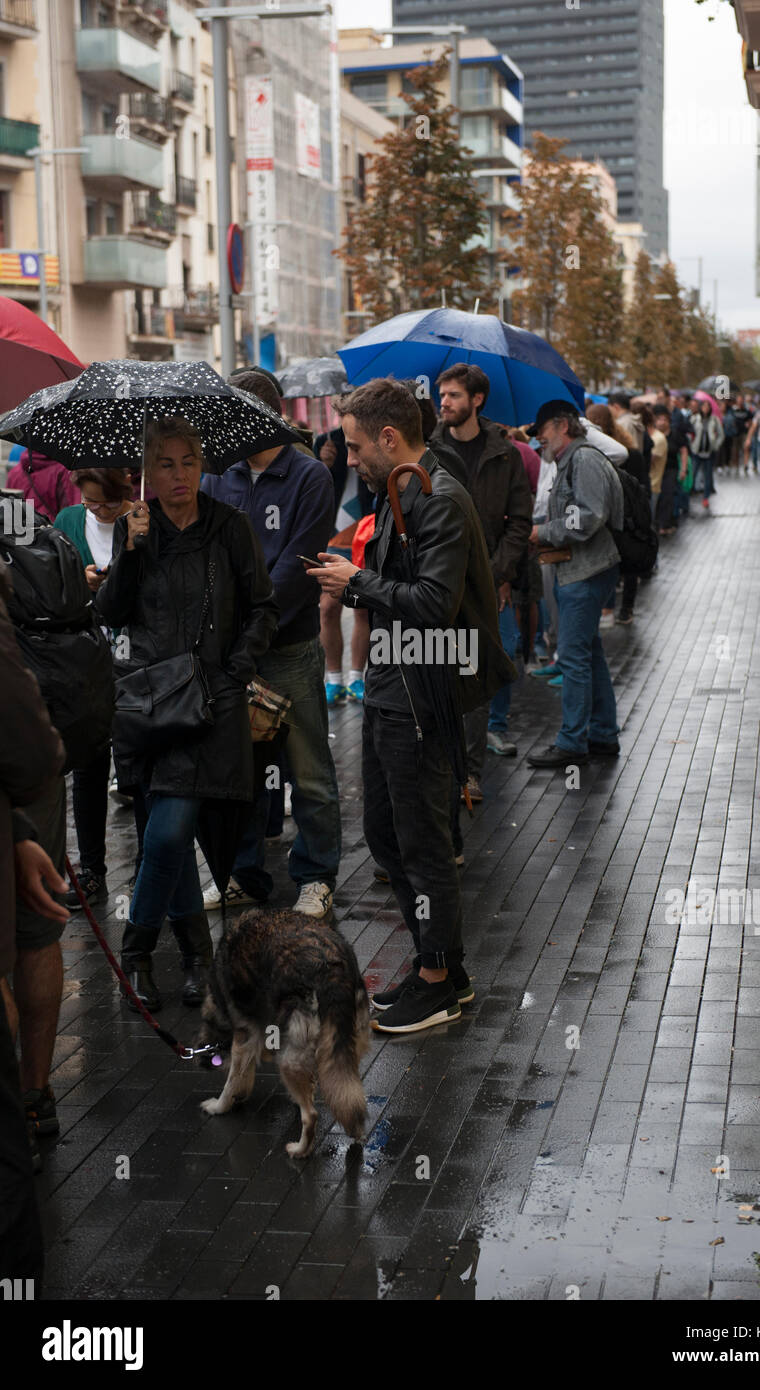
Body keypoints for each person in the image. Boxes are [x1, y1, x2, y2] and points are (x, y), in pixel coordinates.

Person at [307, 378, 514, 1034]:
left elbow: (432, 604)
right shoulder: (402, 492)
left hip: (424, 694)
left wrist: (356, 582)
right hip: (393, 686)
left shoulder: (438, 499)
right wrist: (361, 578)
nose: (348, 457)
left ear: (389, 439)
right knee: (384, 832)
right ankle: (440, 964)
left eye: (355, 444)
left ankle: (435, 980)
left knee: (420, 839)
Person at [94, 416, 279, 1010]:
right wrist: (129, 551)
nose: (179, 475)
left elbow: (263, 609)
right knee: (167, 833)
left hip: (214, 704)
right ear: (147, 468)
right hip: (151, 705)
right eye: (166, 463)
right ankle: (175, 955)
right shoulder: (136, 528)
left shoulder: (230, 527)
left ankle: (157, 956)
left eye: (189, 461)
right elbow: (112, 613)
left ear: (203, 465)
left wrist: (235, 673)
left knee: (168, 834)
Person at [200, 367, 341, 919]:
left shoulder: (309, 478)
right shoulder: (220, 476)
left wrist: (246, 628)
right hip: (235, 652)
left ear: (264, 416)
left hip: (288, 648)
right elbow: (209, 556)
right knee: (242, 771)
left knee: (309, 771)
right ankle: (241, 873)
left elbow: (296, 566)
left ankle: (317, 874)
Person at [0, 548, 69, 1196]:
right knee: (31, 931)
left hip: (13, 786)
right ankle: (31, 1096)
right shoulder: (34, 532)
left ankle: (26, 1099)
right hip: (19, 773)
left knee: (27, 934)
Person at [431, 364, 531, 790]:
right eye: (442, 395)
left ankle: (469, 772)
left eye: (453, 395)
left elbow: (519, 521)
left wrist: (497, 573)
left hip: (489, 581)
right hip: (438, 578)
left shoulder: (503, 451)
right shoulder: (429, 448)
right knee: (440, 672)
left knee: (478, 671)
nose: (444, 403)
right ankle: (443, 767)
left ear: (477, 400)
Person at [526, 399, 623, 770]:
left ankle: (572, 742)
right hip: (582, 571)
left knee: (572, 658)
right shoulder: (575, 460)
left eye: (542, 432)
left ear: (562, 426)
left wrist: (542, 531)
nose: (539, 440)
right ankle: (602, 734)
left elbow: (588, 516)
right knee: (588, 654)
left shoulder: (583, 460)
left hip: (585, 572)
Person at [54, 468, 133, 907]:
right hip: (86, 662)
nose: (101, 512)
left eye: (110, 504)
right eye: (92, 504)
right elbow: (50, 585)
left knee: (135, 765)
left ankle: (148, 870)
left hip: (136, 660)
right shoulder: (65, 523)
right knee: (89, 766)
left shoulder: (142, 519)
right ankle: (91, 870)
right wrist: (79, 583)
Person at [313, 425, 373, 703]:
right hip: (335, 534)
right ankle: (334, 679)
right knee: (327, 608)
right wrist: (322, 459)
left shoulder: (373, 437)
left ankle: (356, 677)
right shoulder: (329, 439)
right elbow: (318, 485)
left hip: (365, 533)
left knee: (362, 609)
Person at [586, 404, 644, 626]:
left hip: (612, 515)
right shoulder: (629, 449)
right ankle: (623, 609)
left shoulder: (599, 452)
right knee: (625, 562)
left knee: (608, 563)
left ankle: (608, 609)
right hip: (627, 515)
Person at [6, 448, 80, 521]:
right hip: (53, 530)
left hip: (25, 530)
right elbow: (72, 513)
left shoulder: (14, 473)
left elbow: (9, 509)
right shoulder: (63, 471)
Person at [652, 405, 688, 533]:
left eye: (664, 419)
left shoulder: (675, 434)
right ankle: (656, 521)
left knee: (668, 495)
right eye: (659, 419)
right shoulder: (653, 435)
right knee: (657, 496)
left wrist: (684, 469)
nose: (662, 422)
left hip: (670, 469)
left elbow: (683, 450)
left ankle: (664, 524)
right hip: (656, 471)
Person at [690, 399, 724, 510]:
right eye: (703, 406)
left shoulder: (714, 420)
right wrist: (692, 444)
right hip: (697, 452)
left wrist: (716, 445)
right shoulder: (695, 419)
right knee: (693, 474)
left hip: (709, 452)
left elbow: (721, 434)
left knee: (708, 476)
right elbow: (689, 432)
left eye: (707, 406)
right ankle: (689, 495)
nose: (705, 408)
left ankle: (705, 498)